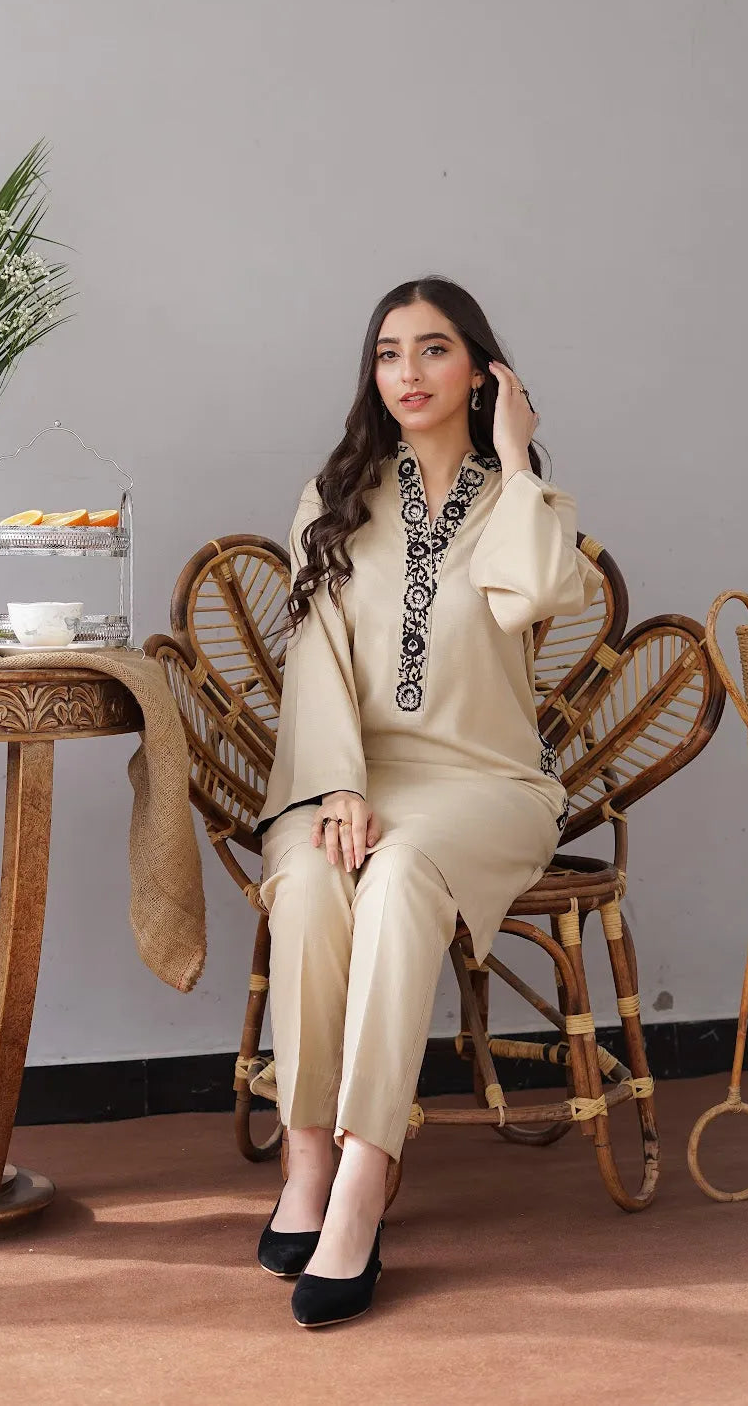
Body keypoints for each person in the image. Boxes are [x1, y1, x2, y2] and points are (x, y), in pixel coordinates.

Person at [254, 276, 601, 1328]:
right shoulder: (333, 495)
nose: (407, 373)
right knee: (313, 883)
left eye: (433, 350)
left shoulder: (519, 502)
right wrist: (338, 784)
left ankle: (365, 1178)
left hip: (486, 784)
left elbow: (536, 594)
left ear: (479, 369)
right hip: (346, 772)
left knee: (400, 871)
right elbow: (313, 658)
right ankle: (307, 1159)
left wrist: (517, 450)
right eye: (388, 353)